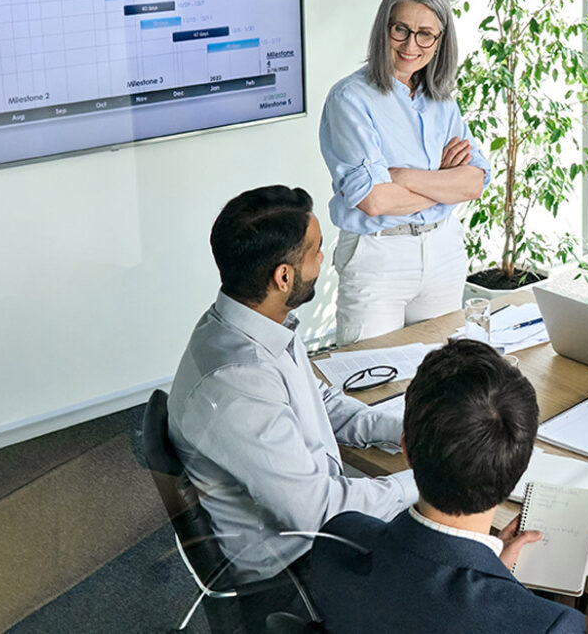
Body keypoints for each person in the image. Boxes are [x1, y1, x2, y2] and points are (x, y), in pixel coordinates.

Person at [310, 339, 588, 634]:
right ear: (518, 471)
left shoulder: (337, 542)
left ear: (406, 451)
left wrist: (491, 570)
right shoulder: (543, 624)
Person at [168, 186, 418, 627]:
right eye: (316, 251)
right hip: (293, 573)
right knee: (451, 566)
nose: (324, 261)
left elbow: (320, 403)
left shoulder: (256, 323)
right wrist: (424, 481)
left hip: (308, 531)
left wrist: (403, 429)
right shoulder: (235, 383)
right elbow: (317, 512)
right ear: (284, 277)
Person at [319, 0, 491, 346]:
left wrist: (402, 176)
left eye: (426, 34)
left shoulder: (442, 99)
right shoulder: (350, 99)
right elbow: (374, 200)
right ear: (384, 29)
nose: (412, 44)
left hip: (443, 251)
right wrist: (444, 182)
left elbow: (474, 182)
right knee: (370, 380)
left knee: (443, 381)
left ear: (440, 41)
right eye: (402, 30)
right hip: (379, 254)